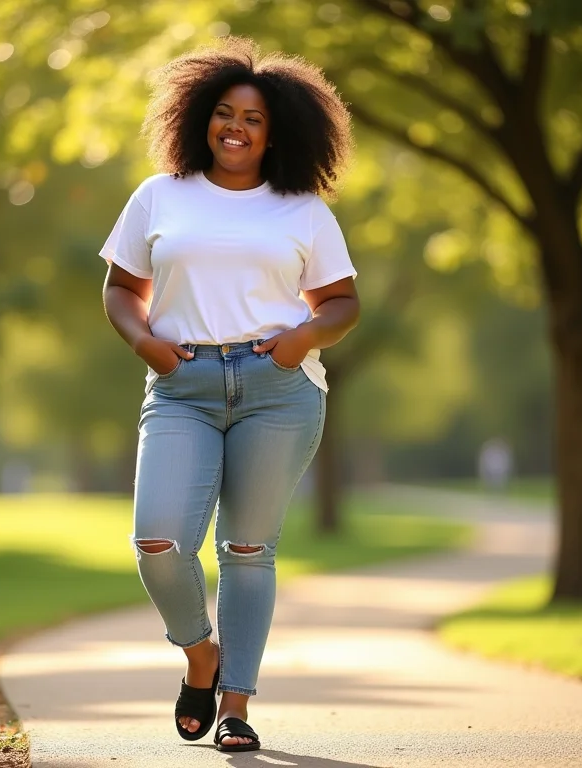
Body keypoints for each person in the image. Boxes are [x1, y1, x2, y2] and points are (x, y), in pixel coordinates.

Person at [100, 37, 360, 753]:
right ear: (199, 118)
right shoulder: (160, 194)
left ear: (276, 131)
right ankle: (200, 656)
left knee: (247, 548)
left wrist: (303, 338)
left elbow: (342, 303)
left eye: (252, 117)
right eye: (223, 112)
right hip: (183, 385)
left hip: (278, 390)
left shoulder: (301, 208)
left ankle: (237, 705)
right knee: (157, 538)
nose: (235, 127)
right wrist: (145, 342)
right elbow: (122, 289)